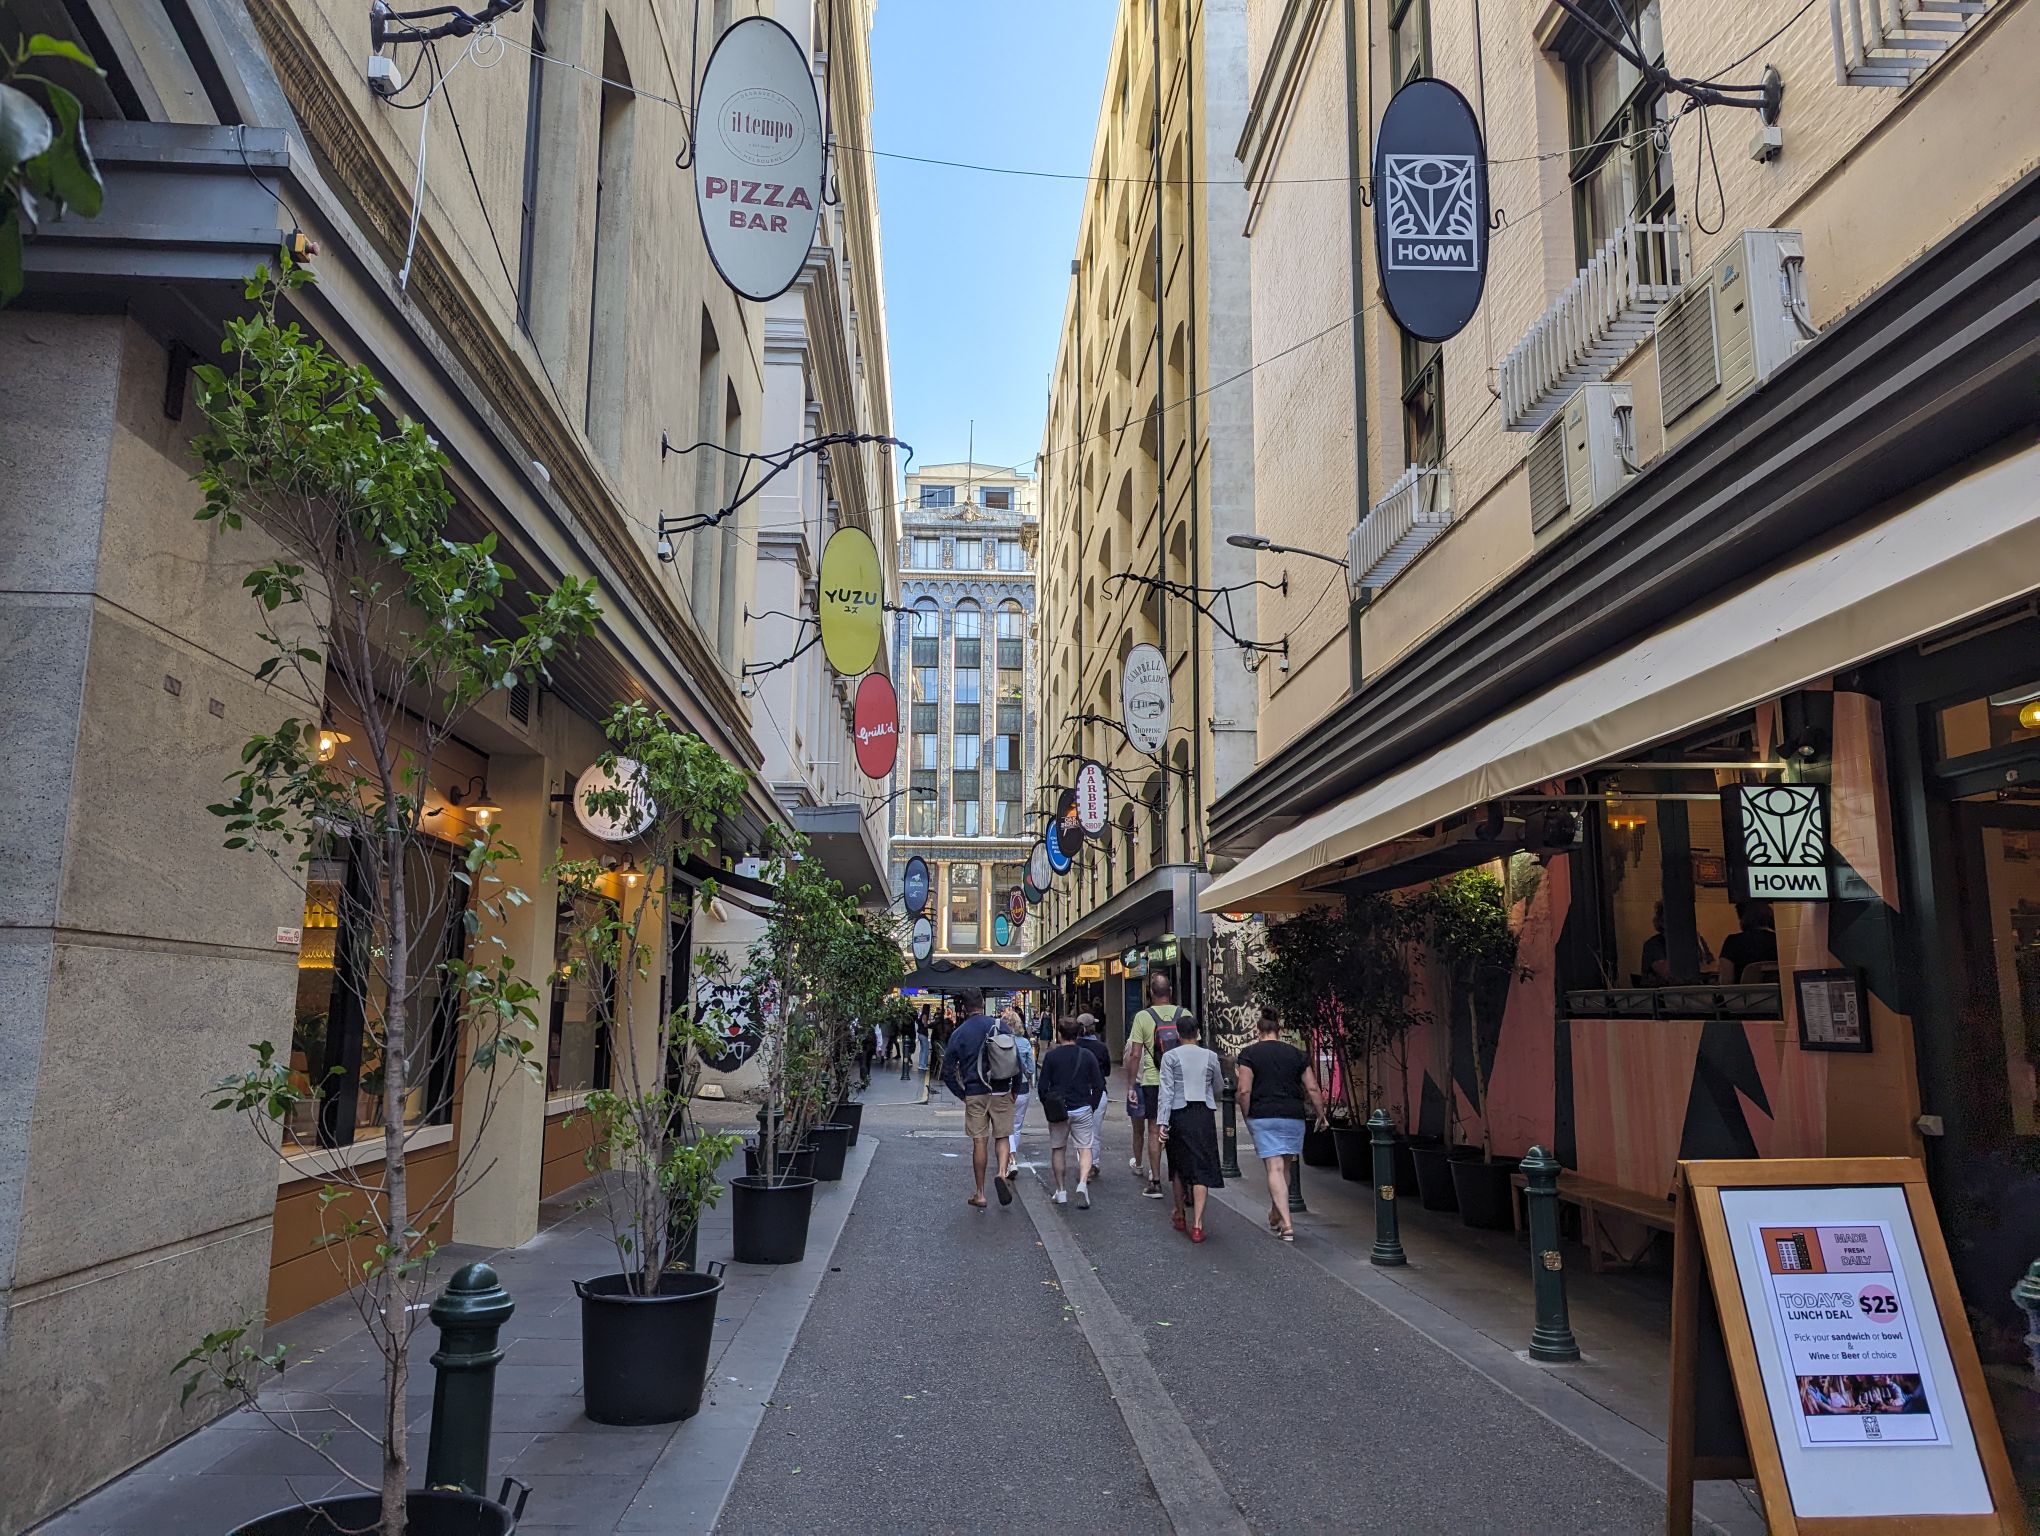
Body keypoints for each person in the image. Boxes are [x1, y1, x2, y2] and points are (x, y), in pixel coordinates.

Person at [1235, 1006, 1327, 1241]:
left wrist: (1247, 1114)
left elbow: (1244, 1090)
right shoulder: (1296, 1054)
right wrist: (1321, 1114)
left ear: (1258, 1031)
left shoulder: (1249, 1054)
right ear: (1280, 1029)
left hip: (1264, 1114)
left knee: (1274, 1168)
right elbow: (1312, 1087)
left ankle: (1287, 1224)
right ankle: (1276, 1213)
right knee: (1284, 1167)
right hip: (1293, 1115)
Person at [940, 989, 1019, 1208]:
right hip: (1002, 1089)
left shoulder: (959, 1033)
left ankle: (980, 1193)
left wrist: (961, 1094)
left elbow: (947, 1071)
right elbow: (1015, 1058)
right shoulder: (999, 1025)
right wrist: (1015, 1087)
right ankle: (1002, 1174)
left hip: (975, 1091)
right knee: (1002, 1136)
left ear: (964, 1008)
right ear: (983, 1003)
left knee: (980, 1141)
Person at [1156, 1016, 1224, 1241]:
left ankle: (1180, 1214)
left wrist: (1162, 1123)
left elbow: (1165, 1092)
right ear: (1197, 1033)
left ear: (1177, 1033)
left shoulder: (1170, 1057)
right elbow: (1219, 1086)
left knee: (1177, 1166)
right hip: (1203, 1114)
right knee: (1201, 1166)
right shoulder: (1211, 1056)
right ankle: (1198, 1224)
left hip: (1178, 1113)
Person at [1124, 973, 1189, 1199]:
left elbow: (1135, 1054)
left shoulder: (1143, 1017)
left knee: (1154, 1129)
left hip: (1153, 1081)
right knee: (1179, 1129)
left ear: (1150, 993)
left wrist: (1132, 1085)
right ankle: (1183, 1177)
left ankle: (1155, 1180)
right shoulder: (1184, 1014)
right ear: (1170, 991)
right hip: (1180, 1082)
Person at [1037, 1016, 1106, 1206]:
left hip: (1059, 1110)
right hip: (1082, 1107)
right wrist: (1091, 1105)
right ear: (1078, 1034)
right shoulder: (1087, 1056)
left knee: (1058, 1149)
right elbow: (1099, 1084)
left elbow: (1042, 1087)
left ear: (1059, 1034)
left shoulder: (1051, 1057)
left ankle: (1061, 1190)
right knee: (1085, 1148)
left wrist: (1048, 1104)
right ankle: (1083, 1182)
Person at [1641, 900, 1716, 984]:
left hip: (1695, 992)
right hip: (1665, 995)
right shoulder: (1653, 945)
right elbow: (1671, 974)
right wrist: (1700, 969)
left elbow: (1713, 966)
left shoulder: (1696, 940)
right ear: (1662, 922)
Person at [1003, 1006, 1037, 1173]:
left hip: (1004, 1088)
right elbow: (1031, 1069)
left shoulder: (1000, 1042)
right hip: (1022, 1088)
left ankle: (1010, 1159)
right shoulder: (1024, 1043)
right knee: (1016, 1126)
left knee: (1004, 1125)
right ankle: (1012, 1158)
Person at [1717, 901, 1778, 981]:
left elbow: (1725, 980)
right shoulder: (1780, 941)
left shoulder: (1733, 942)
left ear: (1742, 918)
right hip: (1779, 992)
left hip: (1743, 993)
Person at [1077, 1013, 1111, 1125]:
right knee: (1094, 1137)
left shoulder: (1074, 1047)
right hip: (1099, 1091)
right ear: (1093, 1027)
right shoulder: (1101, 1047)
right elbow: (1107, 1071)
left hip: (1076, 1093)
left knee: (1078, 1138)